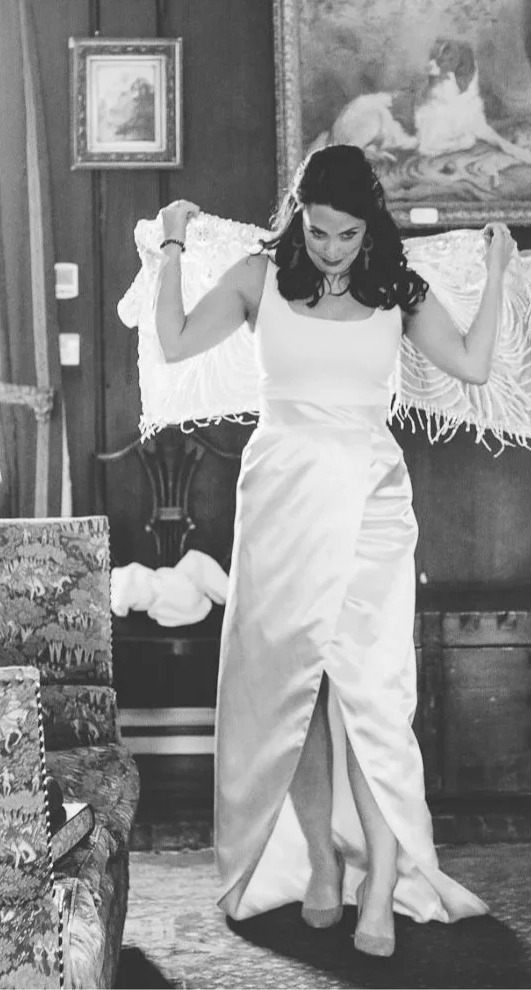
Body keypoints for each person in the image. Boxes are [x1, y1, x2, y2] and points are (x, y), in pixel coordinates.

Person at [152, 144, 509, 956]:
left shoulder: (397, 287)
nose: (333, 248)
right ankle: (321, 863)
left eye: (348, 234)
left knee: (372, 697)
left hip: (370, 504)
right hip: (278, 497)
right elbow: (172, 343)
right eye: (319, 231)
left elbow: (475, 367)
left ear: (369, 225)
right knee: (293, 694)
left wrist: (495, 274)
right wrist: (172, 244)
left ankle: (382, 882)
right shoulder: (256, 275)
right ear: (298, 213)